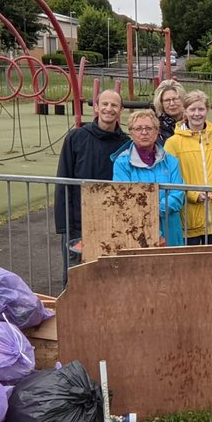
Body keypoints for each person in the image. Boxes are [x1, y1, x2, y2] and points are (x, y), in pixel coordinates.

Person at [53, 89, 127, 282]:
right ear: (96, 107)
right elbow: (63, 180)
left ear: (120, 111)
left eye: (114, 105)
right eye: (105, 104)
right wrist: (64, 225)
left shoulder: (126, 144)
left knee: (108, 278)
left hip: (112, 223)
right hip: (78, 225)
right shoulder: (76, 138)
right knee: (75, 278)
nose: (109, 109)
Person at [164, 90, 212, 245]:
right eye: (192, 109)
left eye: (201, 109)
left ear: (207, 111)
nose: (197, 114)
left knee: (211, 264)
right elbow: (169, 178)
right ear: (185, 111)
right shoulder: (173, 143)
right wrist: (193, 195)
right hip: (188, 217)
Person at [111, 108, 186, 246]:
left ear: (157, 132)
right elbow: (125, 201)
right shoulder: (121, 163)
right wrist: (152, 232)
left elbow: (177, 195)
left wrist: (154, 209)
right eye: (138, 128)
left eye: (149, 128)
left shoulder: (172, 161)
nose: (144, 132)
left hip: (170, 231)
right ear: (131, 133)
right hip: (136, 232)